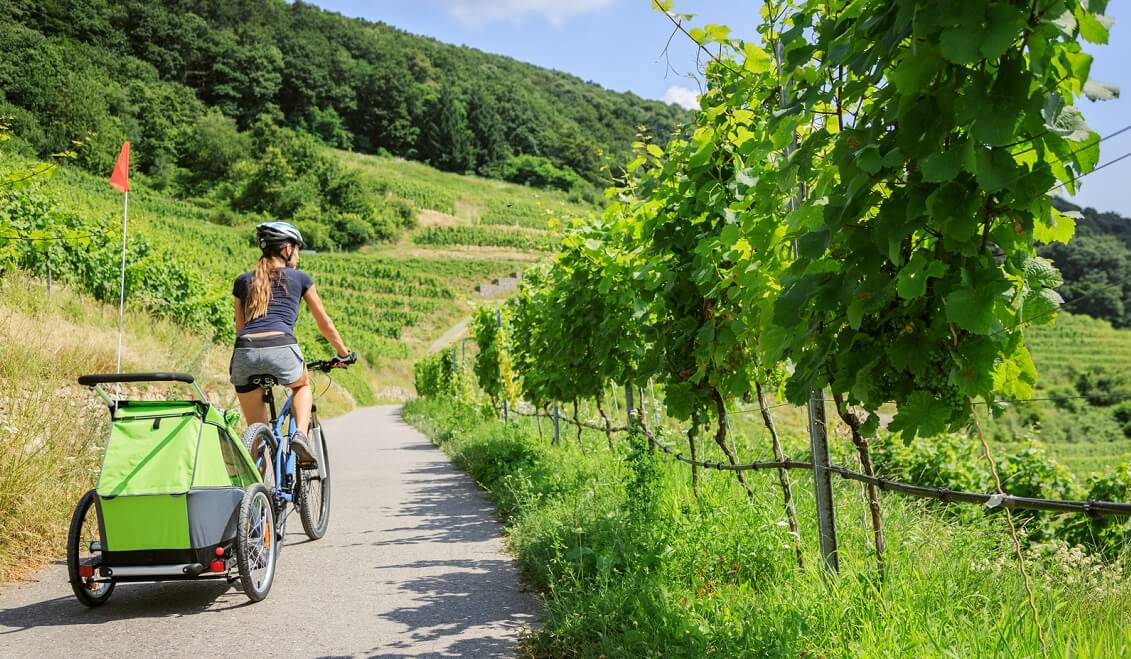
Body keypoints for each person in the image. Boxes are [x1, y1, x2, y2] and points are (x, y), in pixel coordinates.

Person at [230, 221, 353, 466]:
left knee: (256, 428)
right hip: (282, 346)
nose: (297, 254)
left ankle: (257, 488)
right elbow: (324, 323)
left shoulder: (242, 281)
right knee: (302, 385)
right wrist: (343, 353)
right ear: (286, 249)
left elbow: (240, 330)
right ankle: (300, 436)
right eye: (297, 248)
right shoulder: (300, 278)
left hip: (244, 354)